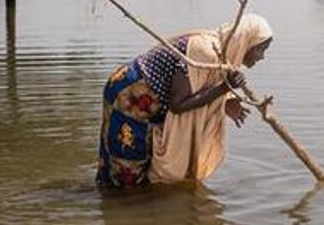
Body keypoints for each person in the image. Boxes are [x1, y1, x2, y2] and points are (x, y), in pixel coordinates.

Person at [97, 14, 273, 187]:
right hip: (130, 96)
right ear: (245, 42)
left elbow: (202, 84)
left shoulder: (219, 54)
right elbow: (178, 104)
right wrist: (224, 89)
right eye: (261, 49)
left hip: (139, 96)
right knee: (126, 174)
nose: (262, 56)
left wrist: (226, 100)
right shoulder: (206, 52)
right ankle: (117, 206)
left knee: (131, 167)